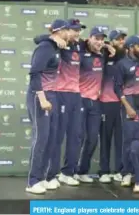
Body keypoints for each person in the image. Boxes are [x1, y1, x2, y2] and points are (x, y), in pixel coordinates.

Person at [26, 19, 69, 194]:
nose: (70, 33)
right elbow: (35, 73)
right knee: (41, 138)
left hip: (52, 95)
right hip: (39, 96)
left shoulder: (56, 46)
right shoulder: (45, 47)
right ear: (60, 31)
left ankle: (42, 177)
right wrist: (42, 99)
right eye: (67, 30)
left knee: (50, 138)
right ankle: (32, 181)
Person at [46, 18, 86, 187]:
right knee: (58, 136)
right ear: (65, 31)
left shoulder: (79, 45)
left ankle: (67, 172)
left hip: (76, 95)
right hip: (60, 93)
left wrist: (107, 46)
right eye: (73, 30)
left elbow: (97, 43)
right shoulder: (57, 44)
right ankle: (51, 175)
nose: (76, 33)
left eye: (79, 30)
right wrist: (53, 38)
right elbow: (39, 40)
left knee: (76, 135)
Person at [74, 27, 115, 183]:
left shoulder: (103, 53)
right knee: (77, 137)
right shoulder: (80, 51)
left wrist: (106, 46)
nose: (99, 42)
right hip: (80, 100)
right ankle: (69, 172)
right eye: (96, 38)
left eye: (101, 39)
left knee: (92, 139)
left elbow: (114, 49)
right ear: (89, 38)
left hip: (95, 102)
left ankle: (82, 171)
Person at [113, 35, 139, 186]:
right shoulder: (122, 64)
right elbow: (117, 87)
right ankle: (126, 173)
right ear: (131, 47)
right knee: (129, 138)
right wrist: (127, 106)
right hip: (130, 101)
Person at [99, 30, 127, 183]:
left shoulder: (126, 57)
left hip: (122, 104)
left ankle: (120, 170)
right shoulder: (103, 54)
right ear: (111, 41)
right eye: (118, 39)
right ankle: (104, 171)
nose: (121, 42)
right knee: (105, 138)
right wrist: (106, 47)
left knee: (120, 139)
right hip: (105, 103)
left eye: (123, 39)